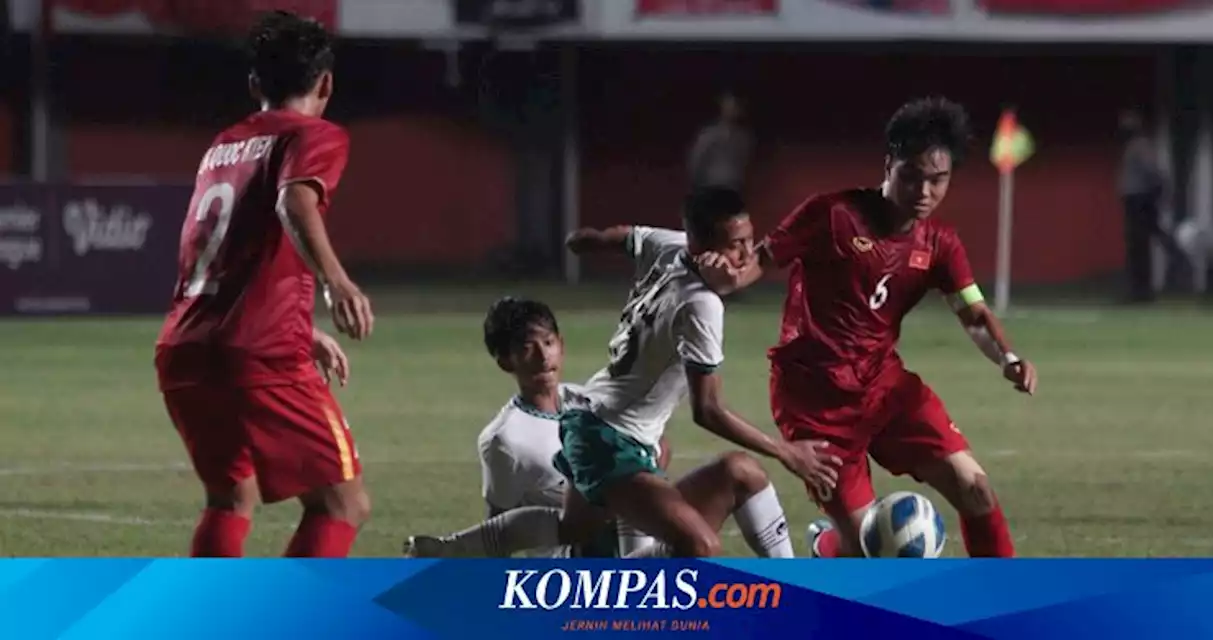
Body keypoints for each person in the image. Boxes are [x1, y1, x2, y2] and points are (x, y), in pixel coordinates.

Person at [705, 97, 1035, 558]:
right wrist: (728, 279)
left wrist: (1008, 357)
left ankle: (1004, 601)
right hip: (815, 403)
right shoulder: (832, 215)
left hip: (885, 387)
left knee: (975, 488)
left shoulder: (939, 244)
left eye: (937, 180)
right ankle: (827, 545)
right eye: (912, 175)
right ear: (889, 165)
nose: (923, 190)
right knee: (866, 549)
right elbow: (760, 259)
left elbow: (974, 313)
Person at [154, 11, 374, 558]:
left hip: (185, 345)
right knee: (343, 505)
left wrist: (303, 328)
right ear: (325, 83)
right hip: (257, 351)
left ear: (255, 84)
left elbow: (222, 251)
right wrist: (337, 282)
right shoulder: (315, 135)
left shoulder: (224, 145)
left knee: (231, 497)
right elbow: (293, 199)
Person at [555, 187, 839, 558]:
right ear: (702, 247)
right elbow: (707, 410)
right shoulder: (701, 305)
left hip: (605, 423)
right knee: (698, 544)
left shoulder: (668, 244)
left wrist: (585, 240)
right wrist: (786, 452)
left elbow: (608, 237)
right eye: (735, 245)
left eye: (749, 240)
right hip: (610, 439)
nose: (745, 254)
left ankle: (795, 591)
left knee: (742, 473)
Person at [403, 297, 667, 558]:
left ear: (561, 346)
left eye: (549, 343)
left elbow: (657, 447)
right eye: (528, 347)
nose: (543, 356)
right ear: (506, 361)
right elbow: (497, 524)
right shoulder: (504, 440)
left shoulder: (591, 401)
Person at [1117, 109, 1182, 303]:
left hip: (1140, 200)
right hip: (1137, 200)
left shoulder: (1140, 146)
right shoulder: (1135, 146)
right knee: (1141, 244)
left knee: (1139, 246)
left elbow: (1153, 172)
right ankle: (1140, 290)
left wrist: (1158, 195)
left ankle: (1141, 291)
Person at [688, 92, 753, 193]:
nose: (732, 109)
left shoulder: (743, 137)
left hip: (734, 188)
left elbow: (745, 163)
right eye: (728, 105)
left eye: (735, 106)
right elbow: (696, 159)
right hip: (710, 187)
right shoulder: (709, 133)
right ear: (722, 107)